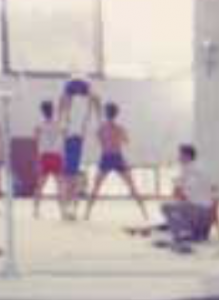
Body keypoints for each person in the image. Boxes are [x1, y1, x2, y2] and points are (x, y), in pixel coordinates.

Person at [84, 103, 149, 221]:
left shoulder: (102, 128)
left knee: (96, 187)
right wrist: (116, 140)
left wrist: (109, 141)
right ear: (116, 114)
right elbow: (126, 141)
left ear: (106, 113)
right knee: (131, 186)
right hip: (116, 157)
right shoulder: (119, 128)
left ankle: (86, 213)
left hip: (107, 157)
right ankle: (144, 213)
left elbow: (100, 141)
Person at [58, 77, 101, 220]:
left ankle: (70, 209)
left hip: (74, 140)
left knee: (71, 180)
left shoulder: (78, 107)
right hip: (72, 139)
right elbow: (95, 99)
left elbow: (95, 99)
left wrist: (97, 115)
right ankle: (68, 209)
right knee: (70, 180)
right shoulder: (71, 110)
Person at [161, 144, 216, 244]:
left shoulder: (187, 170)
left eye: (180, 155)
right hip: (207, 214)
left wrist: (177, 187)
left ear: (187, 156)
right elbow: (213, 190)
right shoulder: (203, 167)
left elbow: (178, 194)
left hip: (198, 212)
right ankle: (194, 233)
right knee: (179, 206)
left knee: (166, 206)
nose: (178, 158)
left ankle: (184, 233)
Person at [33, 102, 66, 218]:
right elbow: (64, 137)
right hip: (56, 155)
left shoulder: (39, 125)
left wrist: (37, 158)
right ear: (53, 110)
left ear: (42, 111)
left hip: (45, 155)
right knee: (60, 184)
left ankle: (36, 210)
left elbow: (36, 141)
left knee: (40, 184)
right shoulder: (59, 123)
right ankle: (62, 211)